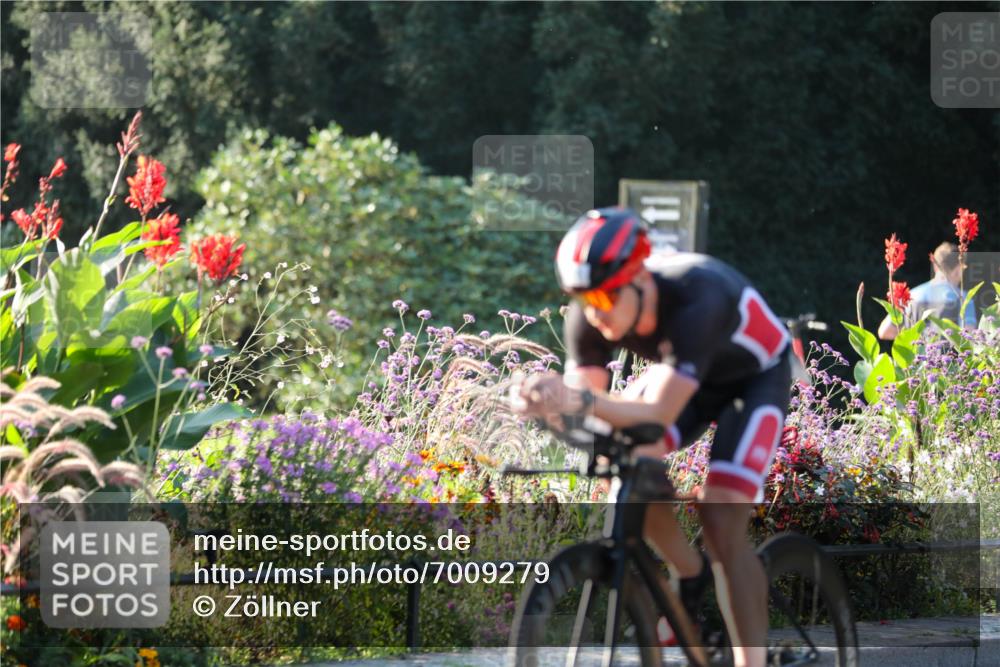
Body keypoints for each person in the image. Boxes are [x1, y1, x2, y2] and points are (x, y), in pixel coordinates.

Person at [513, 207, 792, 667]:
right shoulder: (589, 316)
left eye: (604, 298)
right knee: (617, 455)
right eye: (584, 300)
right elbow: (591, 410)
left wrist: (576, 401)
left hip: (752, 381)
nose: (593, 313)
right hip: (686, 378)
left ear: (638, 277)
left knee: (721, 524)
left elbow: (659, 410)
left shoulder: (697, 296)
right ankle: (689, 571)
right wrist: (546, 403)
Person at [878, 242, 977, 340]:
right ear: (959, 268)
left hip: (914, 355)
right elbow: (969, 337)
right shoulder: (963, 298)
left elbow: (884, 331)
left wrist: (914, 337)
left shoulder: (911, 295)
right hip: (949, 355)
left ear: (935, 265)